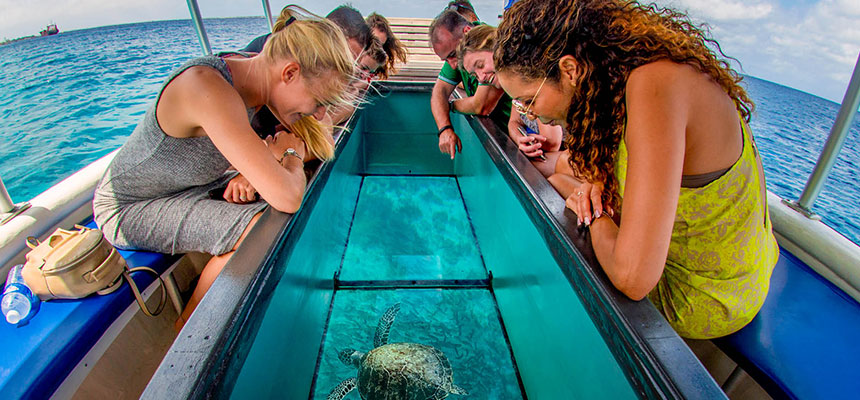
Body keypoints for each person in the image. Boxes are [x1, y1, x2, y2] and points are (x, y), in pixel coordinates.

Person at [494, 0, 779, 339]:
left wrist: (595, 215)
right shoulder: (623, 80)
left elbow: (632, 278)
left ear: (569, 70)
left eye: (529, 100)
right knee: (557, 180)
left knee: (553, 271)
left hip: (707, 295)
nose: (530, 115)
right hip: (743, 261)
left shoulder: (655, 87)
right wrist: (589, 189)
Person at [93, 6, 355, 329]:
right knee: (259, 228)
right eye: (318, 102)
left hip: (188, 187)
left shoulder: (254, 81)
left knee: (270, 210)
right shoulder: (208, 87)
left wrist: (283, 155)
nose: (318, 114)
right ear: (289, 73)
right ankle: (188, 327)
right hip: (131, 207)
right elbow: (288, 196)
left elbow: (319, 138)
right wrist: (290, 152)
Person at [456, 24, 563, 177]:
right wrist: (520, 138)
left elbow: (552, 142)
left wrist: (530, 143)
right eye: (475, 75)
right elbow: (513, 122)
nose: (481, 77)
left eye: (480, 65)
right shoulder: (512, 86)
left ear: (497, 49)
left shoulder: (528, 76)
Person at [429, 10, 511, 159]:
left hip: (515, 137)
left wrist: (450, 106)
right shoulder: (458, 56)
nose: (453, 66)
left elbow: (481, 105)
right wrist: (445, 128)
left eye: (452, 55)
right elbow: (439, 92)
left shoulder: (487, 46)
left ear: (466, 31)